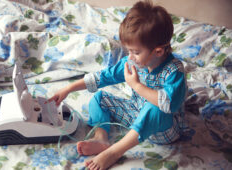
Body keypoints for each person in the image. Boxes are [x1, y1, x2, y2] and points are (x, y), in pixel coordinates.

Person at [47, 0, 187, 169]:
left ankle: (113, 152)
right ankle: (101, 139)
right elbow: (102, 77)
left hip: (164, 130)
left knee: (155, 107)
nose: (130, 57)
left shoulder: (174, 70)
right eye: (129, 51)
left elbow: (168, 104)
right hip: (135, 113)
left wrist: (136, 85)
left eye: (136, 52)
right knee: (99, 98)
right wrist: (68, 88)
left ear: (158, 51)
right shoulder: (133, 63)